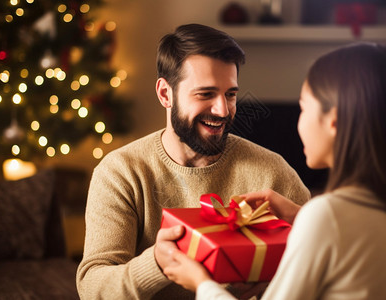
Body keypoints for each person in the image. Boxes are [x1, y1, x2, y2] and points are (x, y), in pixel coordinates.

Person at [163, 42, 386, 300]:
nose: (299, 122)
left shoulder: (328, 216)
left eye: (303, 108)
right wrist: (301, 217)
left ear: (334, 122)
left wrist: (202, 283)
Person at [76, 23, 310, 299]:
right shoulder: (121, 172)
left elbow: (323, 266)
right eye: (206, 94)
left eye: (230, 94)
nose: (223, 110)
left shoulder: (272, 172)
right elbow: (92, 288)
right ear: (165, 94)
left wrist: (277, 281)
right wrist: (157, 263)